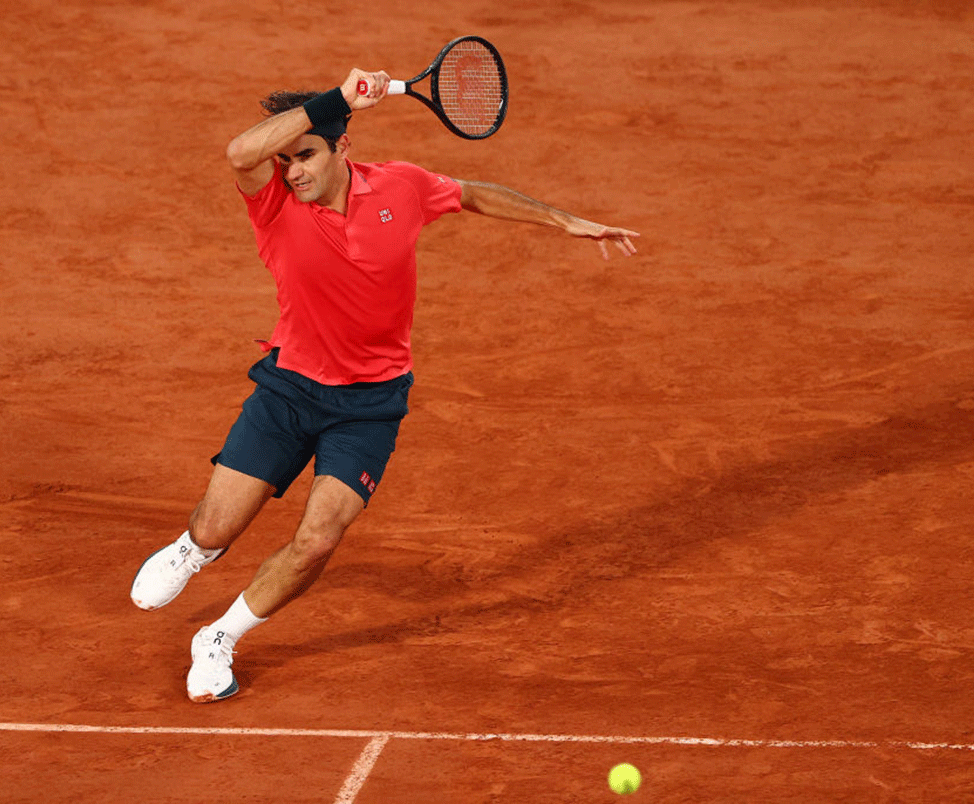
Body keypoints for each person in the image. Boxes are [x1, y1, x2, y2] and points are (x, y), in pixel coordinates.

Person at [130, 67, 640, 702]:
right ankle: (192, 551)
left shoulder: (403, 185)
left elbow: (474, 193)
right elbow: (240, 152)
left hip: (370, 406)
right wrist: (339, 98)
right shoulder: (272, 204)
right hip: (289, 391)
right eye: (284, 159)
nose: (292, 171)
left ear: (344, 147)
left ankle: (220, 638)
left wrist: (567, 222)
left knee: (318, 540)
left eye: (306, 155)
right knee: (214, 528)